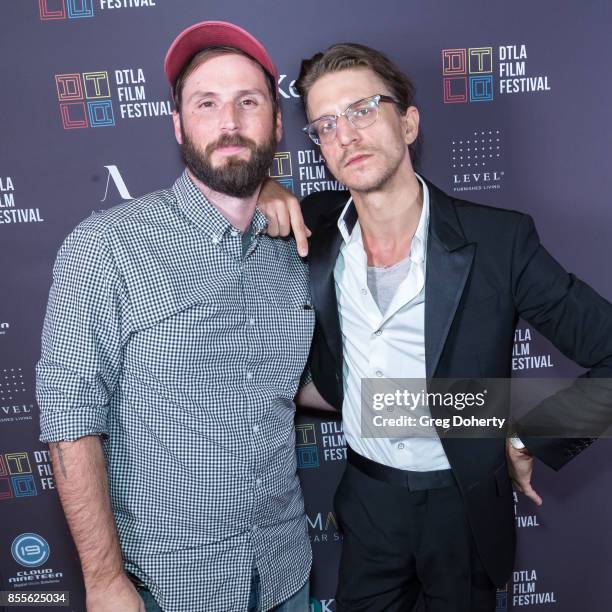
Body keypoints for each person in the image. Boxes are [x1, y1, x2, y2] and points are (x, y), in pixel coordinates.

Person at [260, 43, 612, 611]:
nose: (346, 135)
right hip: (367, 503)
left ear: (409, 122)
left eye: (363, 109)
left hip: (464, 506)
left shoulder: (500, 241)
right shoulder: (316, 228)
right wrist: (268, 190)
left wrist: (528, 438)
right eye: (325, 125)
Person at [37, 21, 313, 612]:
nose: (230, 122)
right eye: (206, 103)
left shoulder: (296, 248)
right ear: (179, 124)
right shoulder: (106, 247)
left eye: (249, 101)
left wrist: (477, 411)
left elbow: (298, 381)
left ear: (277, 122)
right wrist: (106, 581)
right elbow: (69, 419)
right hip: (170, 589)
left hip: (286, 573)